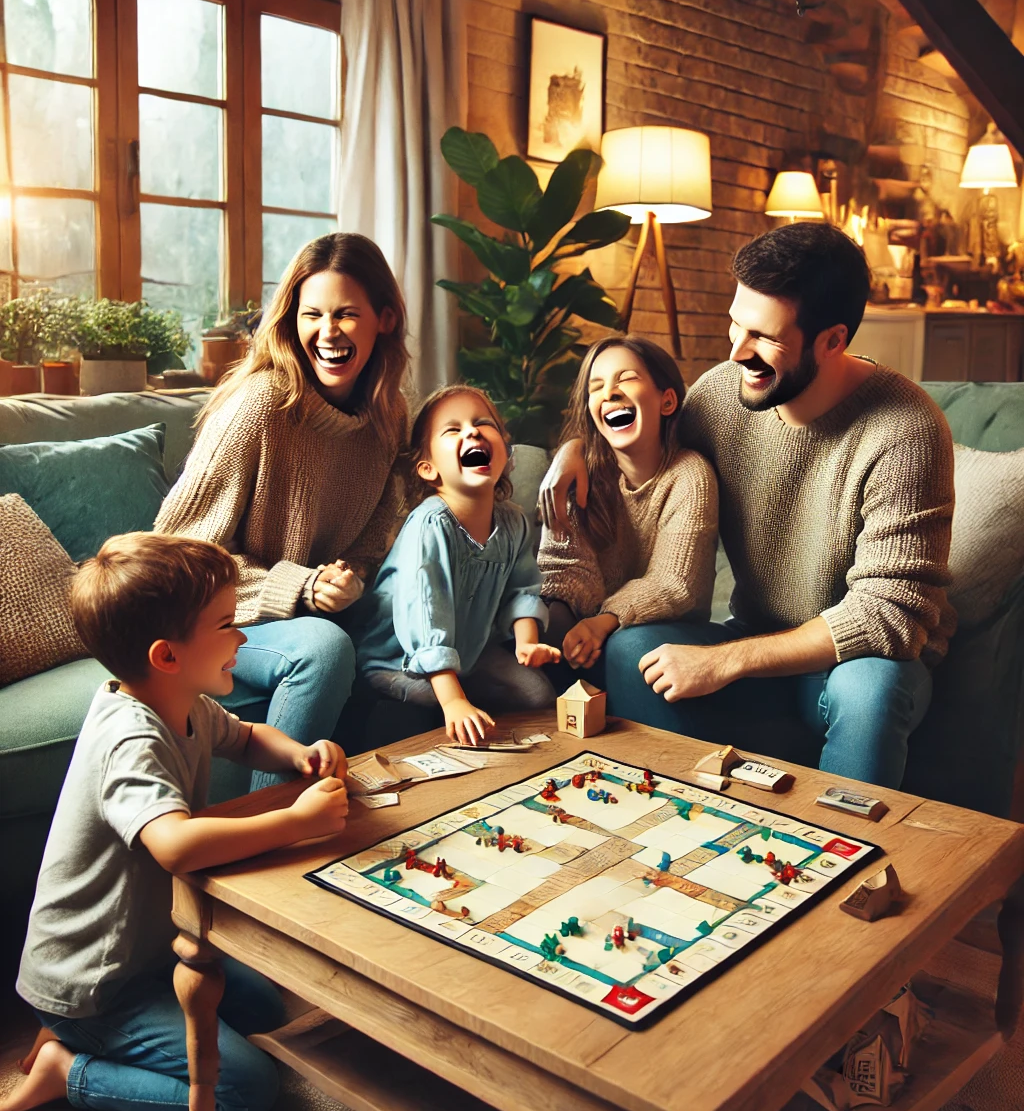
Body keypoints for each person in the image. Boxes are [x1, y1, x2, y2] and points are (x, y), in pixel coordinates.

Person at [540, 222, 955, 788]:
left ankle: (844, 851)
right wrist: (572, 453)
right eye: (735, 323)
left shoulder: (906, 430)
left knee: (872, 692)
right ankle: (706, 819)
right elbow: (640, 438)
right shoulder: (719, 397)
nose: (736, 350)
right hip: (757, 641)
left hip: (851, 665)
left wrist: (724, 662)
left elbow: (890, 617)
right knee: (632, 648)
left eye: (763, 336)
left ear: (832, 340)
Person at [2, 533, 349, 1111]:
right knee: (246, 1088)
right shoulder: (132, 737)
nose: (242, 637)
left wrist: (298, 754)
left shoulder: (179, 699)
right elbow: (174, 844)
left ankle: (86, 1045)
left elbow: (244, 738)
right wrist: (295, 822)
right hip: (93, 986)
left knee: (266, 1004)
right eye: (226, 624)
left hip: (148, 957)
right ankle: (68, 1070)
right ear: (167, 655)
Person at [155, 233, 408, 785]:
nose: (328, 332)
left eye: (346, 315)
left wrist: (347, 581)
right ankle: (272, 831)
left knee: (414, 619)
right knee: (323, 647)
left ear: (383, 320)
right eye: (312, 314)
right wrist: (299, 587)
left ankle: (402, 801)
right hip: (206, 614)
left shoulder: (387, 418)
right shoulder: (261, 406)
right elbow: (178, 556)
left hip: (309, 606)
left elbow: (369, 545)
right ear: (291, 320)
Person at [359, 386, 562, 747]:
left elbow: (523, 590)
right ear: (427, 468)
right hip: (398, 660)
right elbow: (426, 616)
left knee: (536, 693)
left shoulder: (513, 523)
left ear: (507, 452)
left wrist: (527, 642)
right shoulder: (430, 524)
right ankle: (450, 703)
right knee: (431, 701)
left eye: (483, 424)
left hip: (470, 650)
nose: (471, 432)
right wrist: (453, 701)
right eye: (453, 430)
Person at [538, 335, 718, 677]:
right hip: (590, 626)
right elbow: (562, 571)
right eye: (597, 386)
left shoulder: (690, 474)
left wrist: (604, 622)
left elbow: (674, 584)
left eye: (627, 378)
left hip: (667, 628)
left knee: (627, 646)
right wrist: (578, 625)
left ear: (666, 402)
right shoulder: (579, 474)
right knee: (545, 620)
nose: (610, 393)